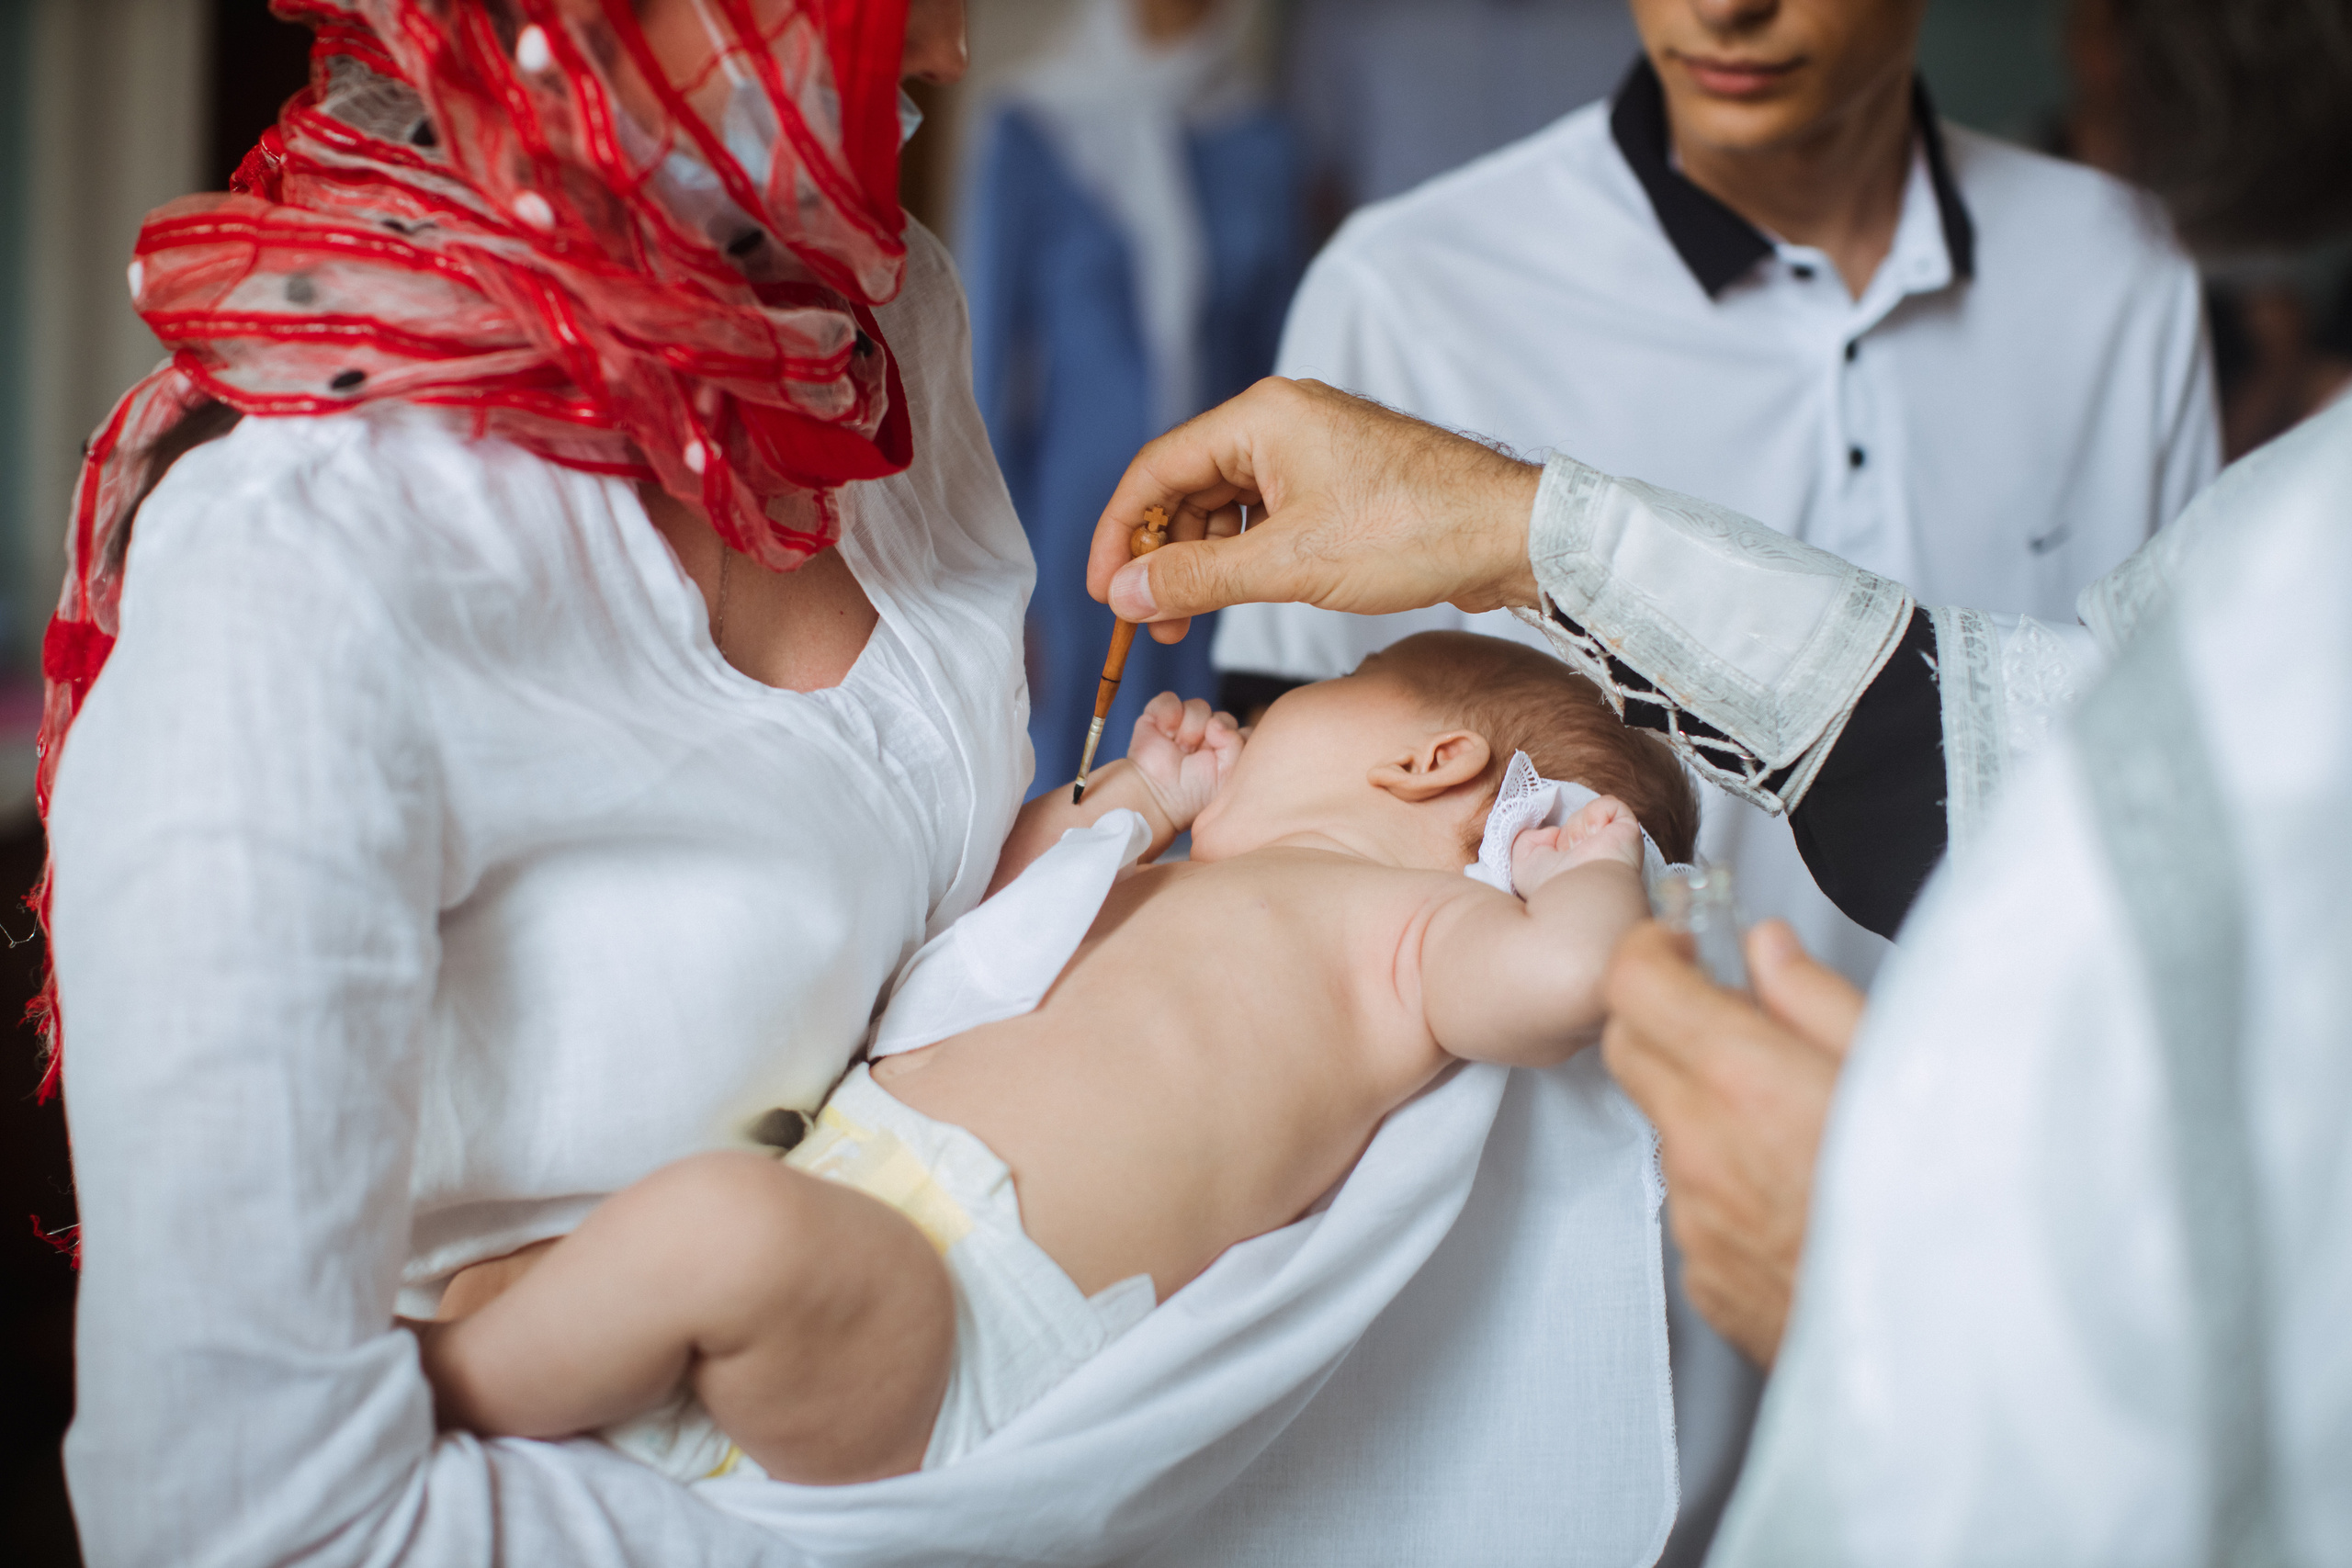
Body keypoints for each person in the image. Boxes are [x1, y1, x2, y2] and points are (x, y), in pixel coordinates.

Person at [46, 5, 1680, 1565]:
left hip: (941, 1373)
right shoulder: (302, 576)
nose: (957, 45)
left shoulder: (879, 332)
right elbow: (239, 1523)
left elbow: (970, 971)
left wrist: (1100, 840)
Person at [411, 634, 1695, 1491]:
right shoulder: (1170, 878)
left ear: (1427, 761)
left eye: (1326, 678)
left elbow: (1565, 985)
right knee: (523, 1265)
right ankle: (494, 1371)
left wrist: (1586, 867)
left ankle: (405, 1402)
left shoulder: (1415, 932)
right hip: (843, 1196)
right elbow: (992, 919)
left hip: (949, 1318)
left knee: (721, 1228)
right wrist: (1134, 793)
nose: (1261, 706)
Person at [957, 0, 1301, 793]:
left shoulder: (1263, 142)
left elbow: (1280, 372)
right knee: (1057, 740)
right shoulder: (1034, 126)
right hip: (1071, 508)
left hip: (1215, 515)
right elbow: (986, 365)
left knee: (1192, 742)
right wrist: (985, 565)